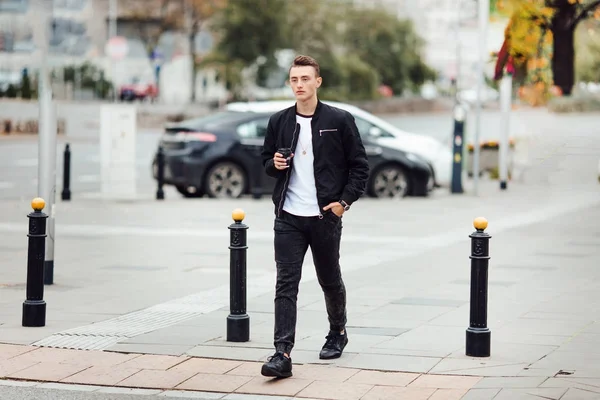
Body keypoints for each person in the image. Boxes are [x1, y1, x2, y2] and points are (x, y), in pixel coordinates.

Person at [259, 55, 370, 378]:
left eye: (305, 79)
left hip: (324, 217)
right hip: (289, 216)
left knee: (329, 280)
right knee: (286, 284)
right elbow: (266, 160)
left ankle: (338, 332)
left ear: (318, 82)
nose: (299, 85)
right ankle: (282, 353)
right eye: (294, 80)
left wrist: (343, 203)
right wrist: (274, 165)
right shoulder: (279, 121)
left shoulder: (340, 119)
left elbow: (360, 166)